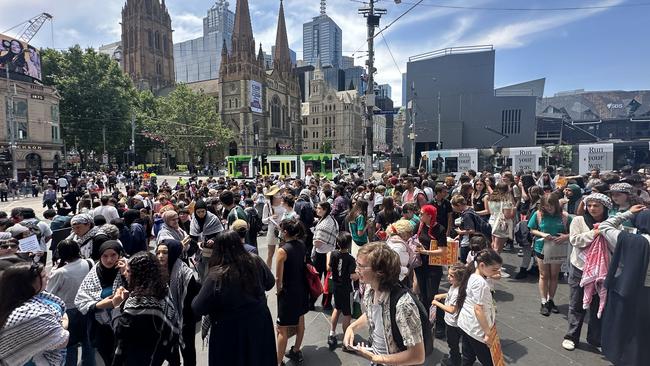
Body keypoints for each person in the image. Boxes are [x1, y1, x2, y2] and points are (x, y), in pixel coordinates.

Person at [192, 231, 276, 366]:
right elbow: (270, 283)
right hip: (259, 322)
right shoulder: (255, 260)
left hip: (229, 330)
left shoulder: (217, 274)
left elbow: (198, 307)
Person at [343, 242, 426, 366]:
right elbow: (371, 314)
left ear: (379, 272)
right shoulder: (370, 289)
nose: (356, 270)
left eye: (361, 266)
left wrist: (378, 359)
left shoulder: (403, 304)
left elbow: (418, 356)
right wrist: (352, 327)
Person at [562, 193, 611, 351]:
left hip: (602, 270)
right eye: (589, 205)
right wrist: (594, 233)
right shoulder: (578, 220)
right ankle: (571, 336)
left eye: (596, 205)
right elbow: (575, 240)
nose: (592, 208)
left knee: (598, 306)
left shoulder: (610, 223)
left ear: (604, 207)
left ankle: (595, 339)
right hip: (580, 267)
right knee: (576, 304)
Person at [111, 252, 179, 365]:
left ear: (139, 275)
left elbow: (120, 332)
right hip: (157, 355)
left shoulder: (136, 308)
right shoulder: (162, 289)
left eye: (128, 271)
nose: (125, 274)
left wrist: (117, 306)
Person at [0, 260, 69, 365]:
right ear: (28, 283)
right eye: (43, 276)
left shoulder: (34, 296)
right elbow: (62, 341)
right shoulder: (30, 314)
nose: (48, 278)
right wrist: (64, 321)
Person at [74, 241, 127, 365]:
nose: (109, 260)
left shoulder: (128, 269)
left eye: (113, 255)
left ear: (119, 254)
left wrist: (125, 273)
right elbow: (80, 301)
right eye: (105, 256)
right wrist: (102, 304)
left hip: (125, 327)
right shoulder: (94, 275)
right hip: (102, 329)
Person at [46, 239, 94, 366]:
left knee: (69, 344)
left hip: (68, 312)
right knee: (88, 341)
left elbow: (49, 294)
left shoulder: (60, 272)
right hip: (87, 306)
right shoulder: (88, 262)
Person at [156, 239, 200, 365]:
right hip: (164, 320)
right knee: (170, 353)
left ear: (174, 252)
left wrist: (181, 321)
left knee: (188, 352)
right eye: (158, 252)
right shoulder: (154, 272)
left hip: (185, 321)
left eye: (165, 252)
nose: (160, 256)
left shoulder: (185, 273)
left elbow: (190, 302)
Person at [455, 249, 503, 366]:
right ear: (482, 265)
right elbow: (478, 309)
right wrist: (488, 333)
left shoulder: (473, 275)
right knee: (489, 361)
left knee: (468, 357)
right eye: (494, 269)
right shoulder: (481, 283)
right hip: (476, 329)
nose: (496, 272)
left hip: (466, 323)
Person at [528, 193, 571, 316]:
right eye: (546, 206)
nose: (549, 208)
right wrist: (542, 234)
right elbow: (532, 229)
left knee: (554, 275)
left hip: (557, 248)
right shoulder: (538, 214)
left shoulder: (564, 216)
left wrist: (565, 237)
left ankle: (550, 299)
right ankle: (543, 301)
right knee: (543, 275)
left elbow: (574, 231)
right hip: (541, 247)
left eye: (551, 206)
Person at [276, 219, 310, 366]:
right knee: (300, 321)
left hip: (288, 292)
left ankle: (278, 361)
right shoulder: (302, 245)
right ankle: (296, 350)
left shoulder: (282, 251)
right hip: (301, 288)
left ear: (285, 232)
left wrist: (279, 292)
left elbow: (278, 278)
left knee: (281, 329)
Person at [414, 204, 448, 337]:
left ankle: (440, 323)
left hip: (433, 267)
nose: (419, 215)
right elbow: (415, 239)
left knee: (432, 295)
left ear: (429, 215)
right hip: (421, 265)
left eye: (422, 213)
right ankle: (425, 321)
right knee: (423, 295)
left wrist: (426, 251)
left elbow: (443, 250)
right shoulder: (419, 226)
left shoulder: (439, 229)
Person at [326, 232, 358, 351]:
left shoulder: (333, 254)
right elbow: (353, 276)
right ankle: (346, 339)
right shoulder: (350, 259)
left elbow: (328, 269)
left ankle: (332, 333)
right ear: (349, 244)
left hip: (336, 286)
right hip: (346, 288)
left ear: (337, 243)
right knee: (347, 314)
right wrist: (359, 274)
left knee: (337, 309)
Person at [431, 263, 468, 366]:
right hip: (454, 321)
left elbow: (452, 309)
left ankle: (454, 360)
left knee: (452, 343)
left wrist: (437, 303)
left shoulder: (457, 291)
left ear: (459, 278)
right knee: (453, 342)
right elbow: (450, 295)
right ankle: (455, 356)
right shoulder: (456, 286)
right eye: (449, 274)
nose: (448, 277)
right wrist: (442, 295)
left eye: (452, 276)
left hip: (453, 323)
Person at [312, 201, 338, 309]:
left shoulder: (326, 223)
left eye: (319, 208)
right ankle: (326, 303)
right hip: (328, 252)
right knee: (327, 279)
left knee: (317, 279)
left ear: (325, 210)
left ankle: (312, 302)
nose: (317, 210)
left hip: (323, 254)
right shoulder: (330, 219)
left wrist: (313, 242)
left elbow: (318, 243)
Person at [385, 219, 414, 283]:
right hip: (396, 279)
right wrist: (406, 270)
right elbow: (391, 265)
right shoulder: (398, 246)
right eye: (410, 232)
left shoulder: (392, 240)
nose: (411, 234)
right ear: (404, 233)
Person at [262, 186, 284, 268]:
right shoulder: (267, 205)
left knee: (281, 253)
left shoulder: (283, 202)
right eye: (276, 192)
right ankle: (268, 273)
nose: (278, 194)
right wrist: (270, 218)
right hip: (272, 230)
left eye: (278, 192)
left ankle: (281, 273)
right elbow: (263, 220)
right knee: (270, 253)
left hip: (283, 229)